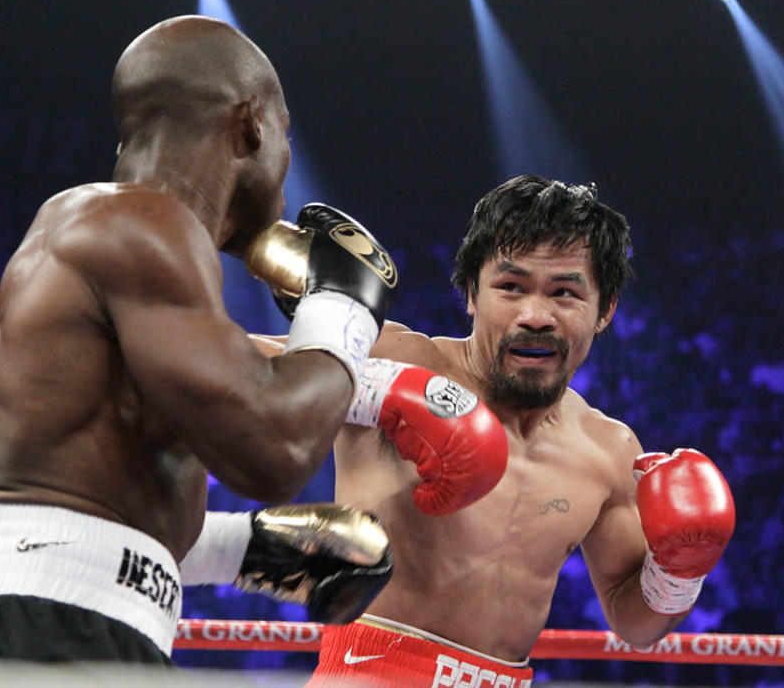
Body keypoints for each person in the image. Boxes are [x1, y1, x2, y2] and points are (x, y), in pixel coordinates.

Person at [0, 15, 490, 665]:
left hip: (49, 624)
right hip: (45, 630)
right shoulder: (141, 222)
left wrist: (245, 548)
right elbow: (275, 448)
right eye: (285, 137)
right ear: (250, 126)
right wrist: (342, 307)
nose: (286, 168)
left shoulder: (112, 234)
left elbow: (72, 503)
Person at [240, 175, 735, 686]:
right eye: (511, 287)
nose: (535, 315)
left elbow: (634, 623)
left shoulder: (608, 448)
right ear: (471, 294)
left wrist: (680, 571)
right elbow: (215, 367)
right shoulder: (402, 358)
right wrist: (374, 384)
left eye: (565, 292)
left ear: (604, 310)